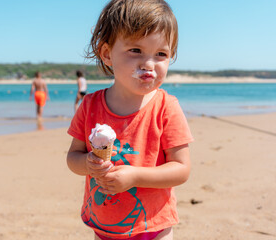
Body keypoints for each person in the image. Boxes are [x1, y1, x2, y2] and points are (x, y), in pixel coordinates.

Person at [66, 0, 193, 239]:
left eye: (161, 54)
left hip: (154, 226)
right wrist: (87, 164)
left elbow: (181, 169)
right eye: (135, 50)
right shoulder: (90, 105)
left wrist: (135, 176)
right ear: (107, 54)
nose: (148, 64)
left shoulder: (166, 107)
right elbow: (73, 157)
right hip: (103, 225)